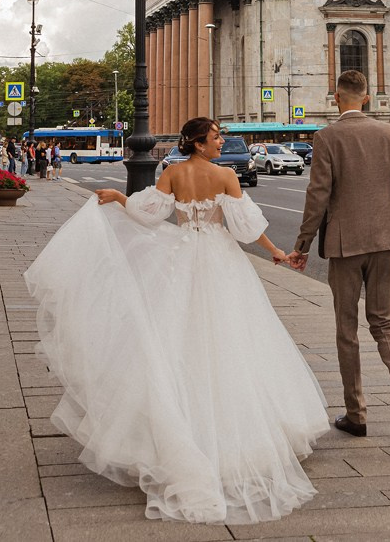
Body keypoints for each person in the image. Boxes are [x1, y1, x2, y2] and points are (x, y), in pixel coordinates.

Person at [24, 116, 329, 524]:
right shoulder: (225, 176)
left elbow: (148, 216)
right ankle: (244, 434)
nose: (223, 142)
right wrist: (276, 252)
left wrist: (118, 197)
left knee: (177, 339)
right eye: (217, 137)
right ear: (200, 143)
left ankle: (175, 426)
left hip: (183, 258)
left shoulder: (172, 172)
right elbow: (244, 229)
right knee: (232, 339)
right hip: (221, 263)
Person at [287, 70, 390, 446]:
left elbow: (317, 196)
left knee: (347, 329)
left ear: (336, 98)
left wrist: (302, 245)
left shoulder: (327, 137)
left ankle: (356, 414)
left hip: (344, 244)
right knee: (385, 322)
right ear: (366, 98)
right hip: (386, 238)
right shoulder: (387, 133)